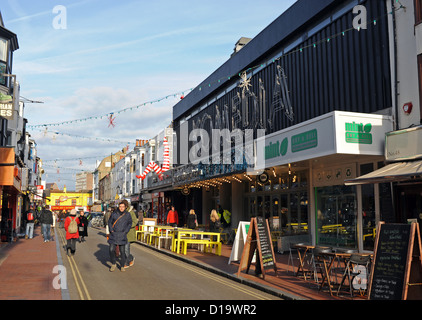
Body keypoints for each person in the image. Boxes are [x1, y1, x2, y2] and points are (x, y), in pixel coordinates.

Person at [108, 200, 132, 272]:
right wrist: (111, 230)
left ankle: (122, 266)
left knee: (122, 251)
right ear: (118, 207)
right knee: (111, 249)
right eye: (120, 206)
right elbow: (109, 222)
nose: (121, 208)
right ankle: (113, 263)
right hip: (114, 234)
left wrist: (125, 231)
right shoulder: (114, 213)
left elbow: (129, 223)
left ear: (125, 207)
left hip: (122, 234)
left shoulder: (127, 214)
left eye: (123, 207)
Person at [124, 201, 138, 269]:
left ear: (126, 206)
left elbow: (135, 221)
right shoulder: (120, 213)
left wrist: (128, 226)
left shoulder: (131, 212)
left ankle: (126, 263)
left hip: (129, 234)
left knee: (126, 249)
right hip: (122, 234)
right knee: (123, 249)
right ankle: (131, 258)